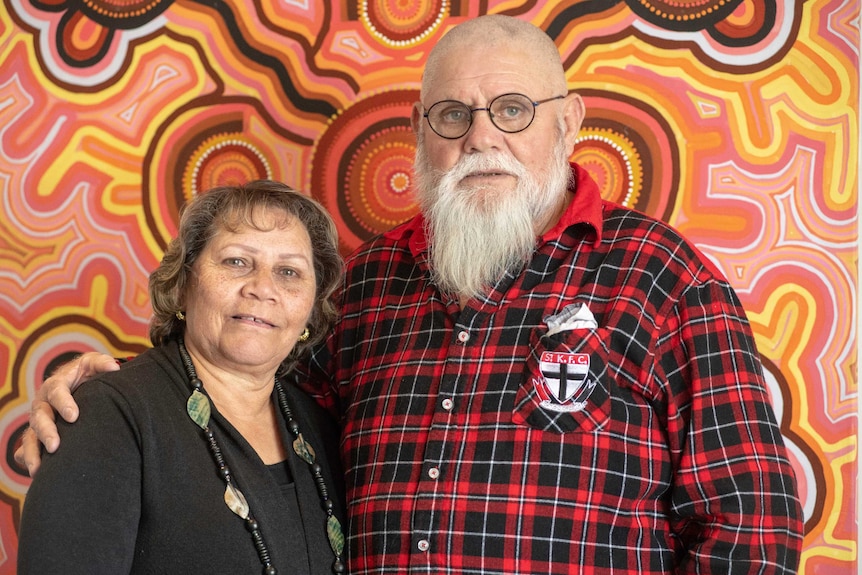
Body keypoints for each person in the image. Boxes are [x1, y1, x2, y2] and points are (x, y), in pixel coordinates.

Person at [19, 15, 804, 575]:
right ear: (421, 131)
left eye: (513, 111)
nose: (482, 138)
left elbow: (750, 529)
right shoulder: (367, 285)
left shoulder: (664, 279)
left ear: (569, 125)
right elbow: (242, 395)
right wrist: (113, 394)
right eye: (453, 115)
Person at [17, 181, 346, 574]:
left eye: (289, 271)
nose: (263, 288)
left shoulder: (321, 428)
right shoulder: (108, 415)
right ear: (185, 281)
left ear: (311, 309)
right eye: (236, 261)